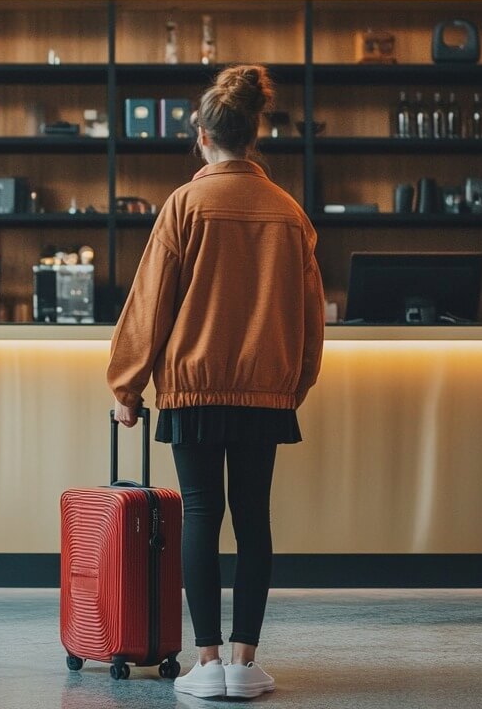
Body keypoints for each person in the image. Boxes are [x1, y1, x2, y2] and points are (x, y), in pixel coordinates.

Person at [107, 64, 325, 700]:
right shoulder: (289, 213)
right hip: (265, 390)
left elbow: (150, 304)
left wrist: (127, 387)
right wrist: (295, 383)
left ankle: (205, 663)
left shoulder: (185, 205)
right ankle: (245, 662)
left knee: (200, 512)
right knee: (253, 518)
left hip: (193, 390)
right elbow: (311, 318)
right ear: (255, 134)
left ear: (202, 134)